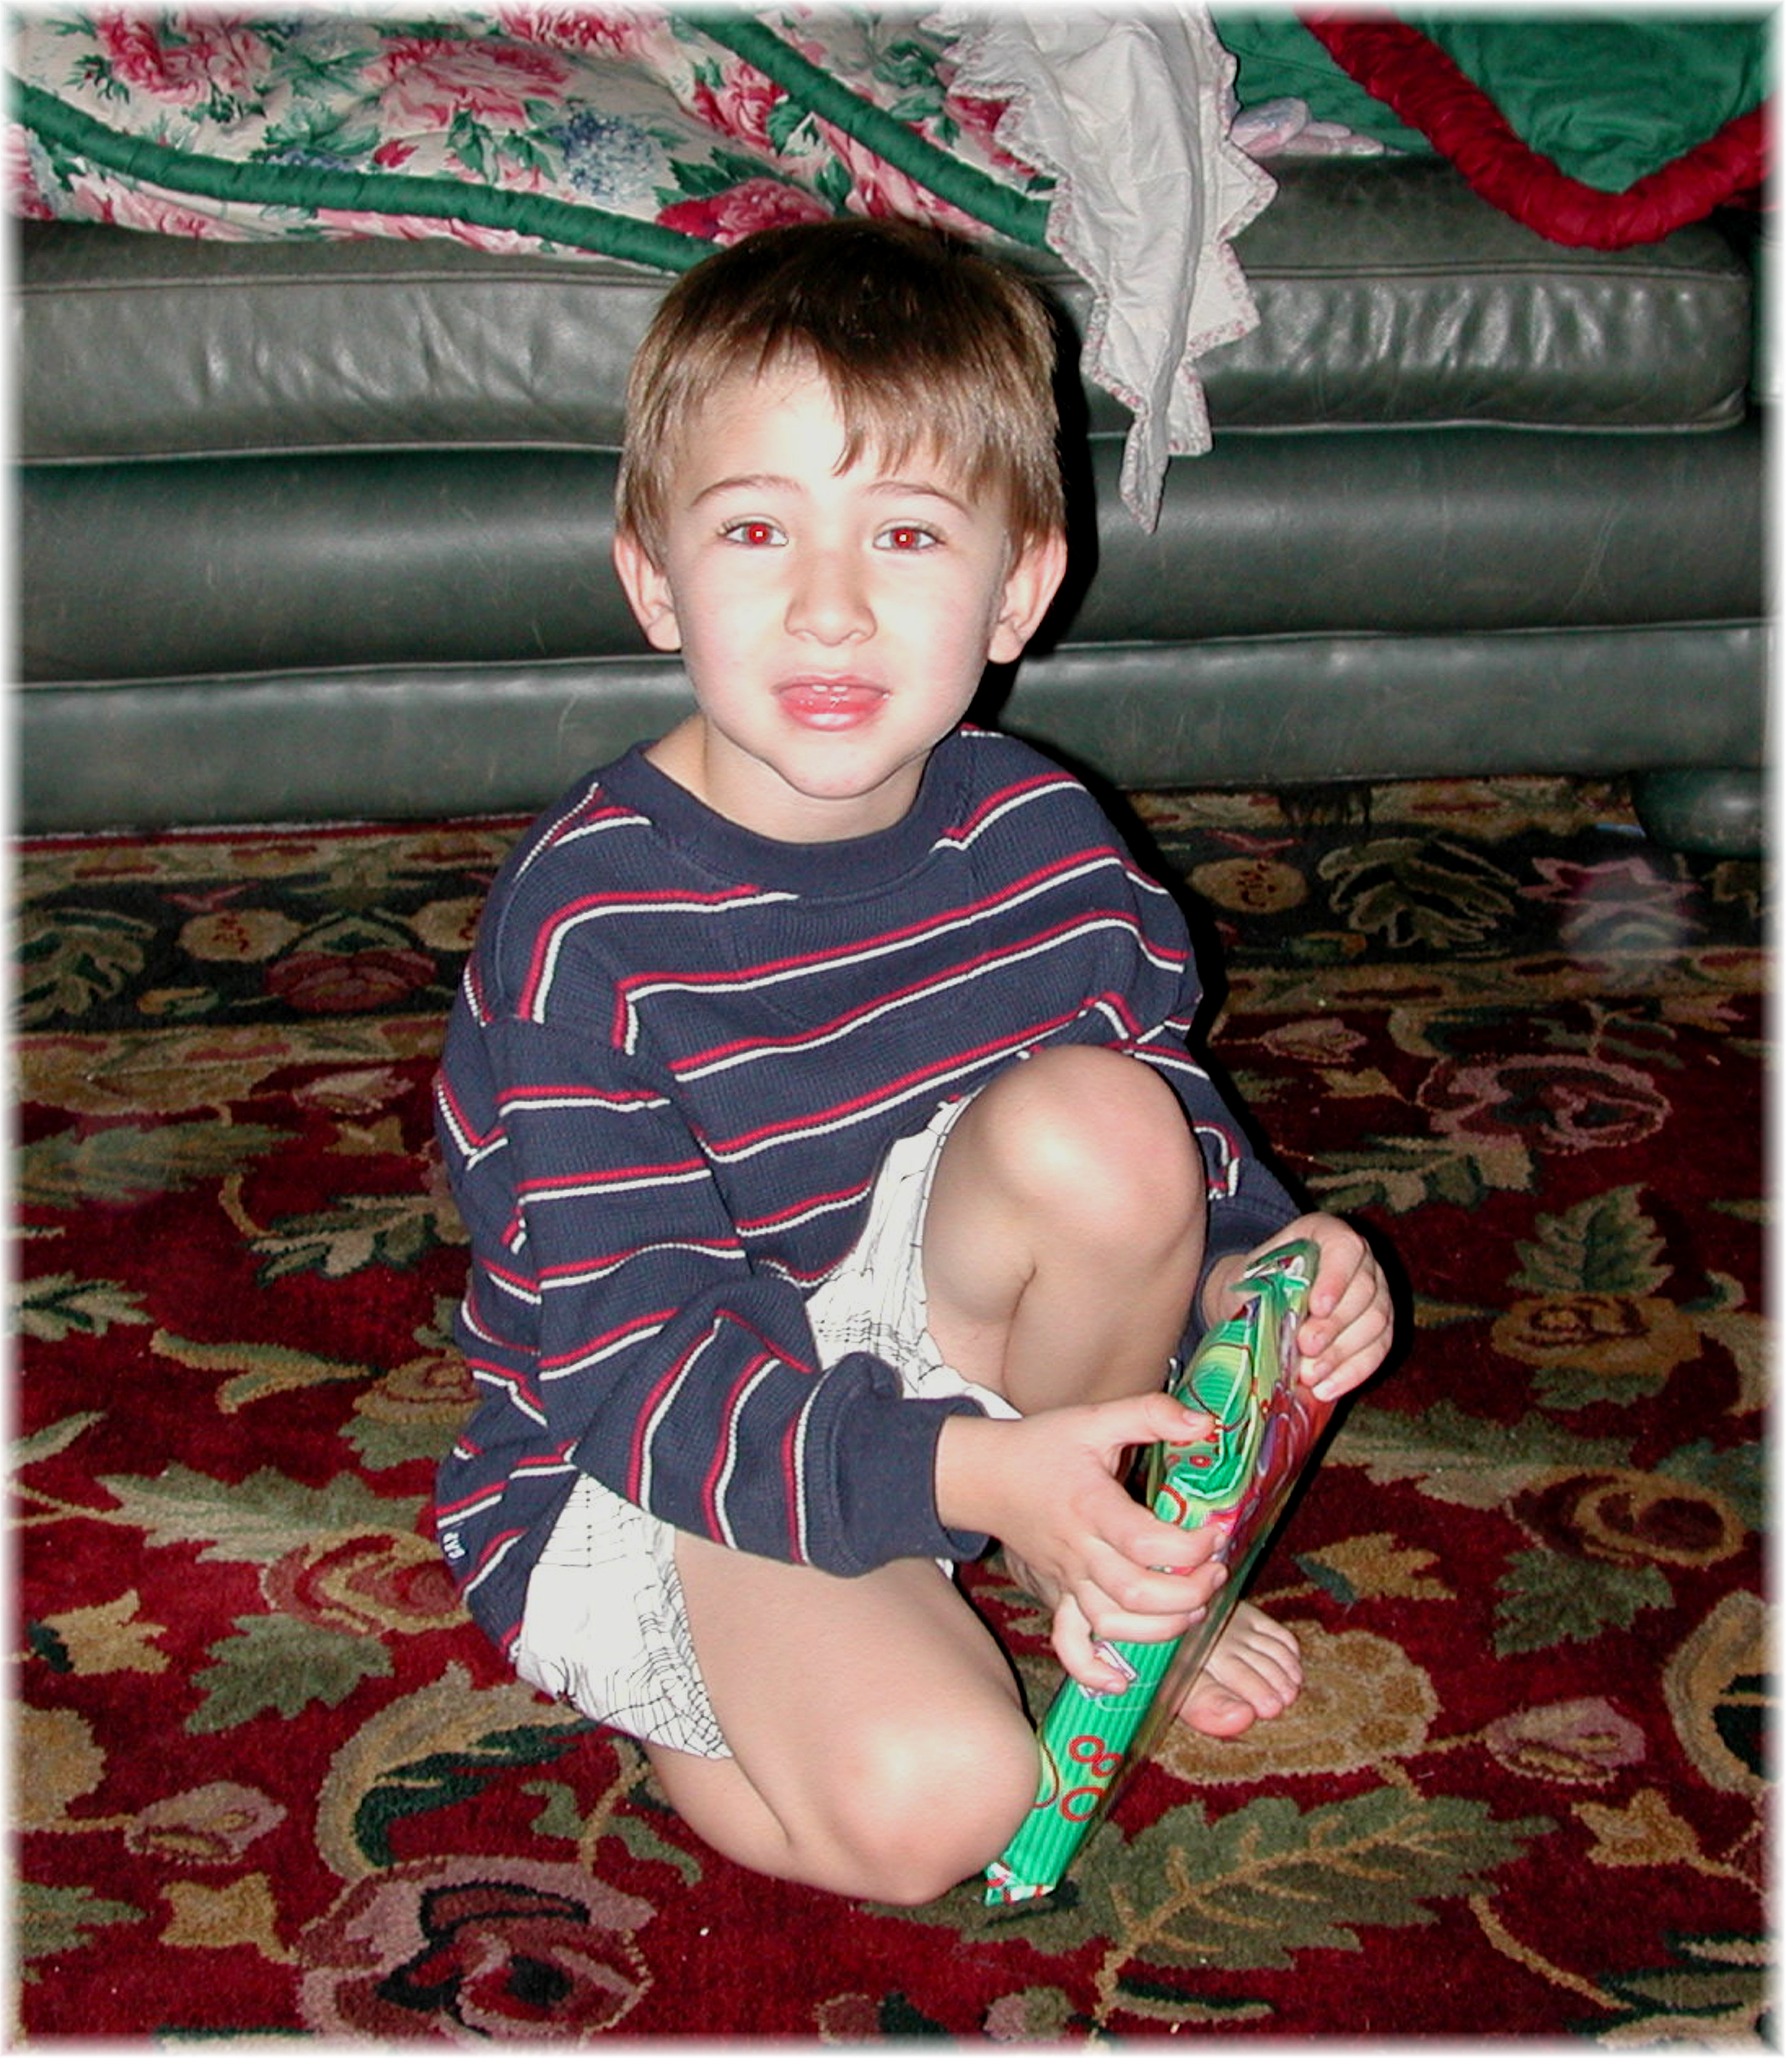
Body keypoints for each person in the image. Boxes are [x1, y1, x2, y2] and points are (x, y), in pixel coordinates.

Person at [433, 217, 1393, 1906]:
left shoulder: (1043, 831)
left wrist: (1265, 1266)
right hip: (663, 1441)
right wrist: (967, 1473)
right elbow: (636, 1364)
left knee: (1110, 1125)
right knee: (942, 1801)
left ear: (1017, 586)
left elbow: (1172, 1125)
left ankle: (1067, 1550)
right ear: (652, 577)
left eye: (904, 533)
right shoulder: (587, 923)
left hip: (927, 1351)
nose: (828, 607)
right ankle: (730, 1667)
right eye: (754, 530)